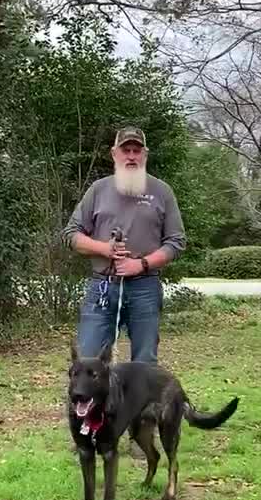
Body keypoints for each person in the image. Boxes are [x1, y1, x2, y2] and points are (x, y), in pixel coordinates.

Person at [63, 125, 187, 365]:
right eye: (125, 150)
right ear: (114, 154)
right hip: (102, 286)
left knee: (144, 364)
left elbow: (176, 241)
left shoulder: (162, 192)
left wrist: (141, 264)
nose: (131, 156)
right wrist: (104, 249)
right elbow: (71, 234)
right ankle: (89, 404)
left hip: (145, 288)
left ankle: (141, 404)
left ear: (145, 155)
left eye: (136, 151)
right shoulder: (98, 190)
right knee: (89, 362)